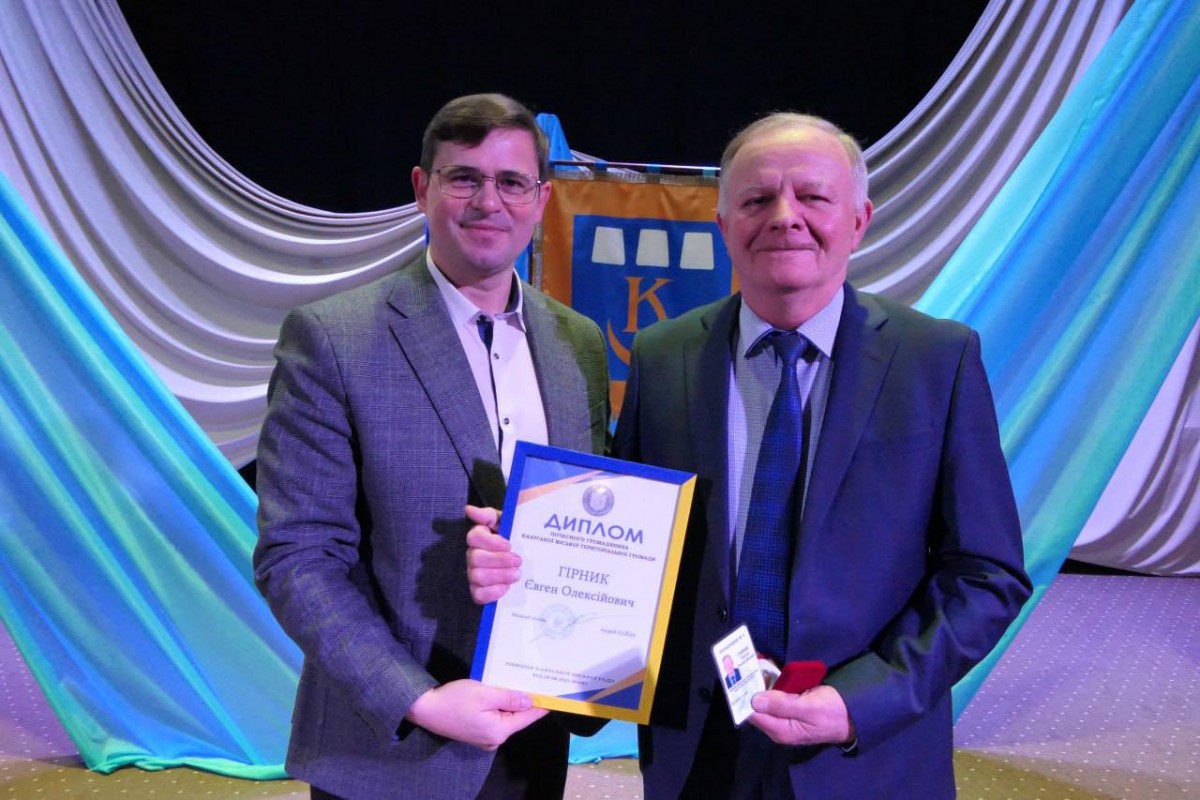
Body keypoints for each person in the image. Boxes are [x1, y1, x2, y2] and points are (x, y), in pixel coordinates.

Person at [467, 112, 1031, 799]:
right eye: (758, 199)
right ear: (723, 223)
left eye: (813, 196)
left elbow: (986, 575)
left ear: (859, 221)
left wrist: (862, 701)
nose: (785, 217)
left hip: (864, 755)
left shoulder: (936, 360)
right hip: (699, 752)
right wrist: (527, 551)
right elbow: (628, 542)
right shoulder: (663, 356)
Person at [254, 93, 610, 800]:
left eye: (511, 182)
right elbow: (297, 556)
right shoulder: (333, 338)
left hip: (534, 741)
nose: (489, 201)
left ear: (541, 199)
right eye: (463, 178)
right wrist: (416, 699)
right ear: (422, 189)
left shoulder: (579, 343)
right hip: (391, 748)